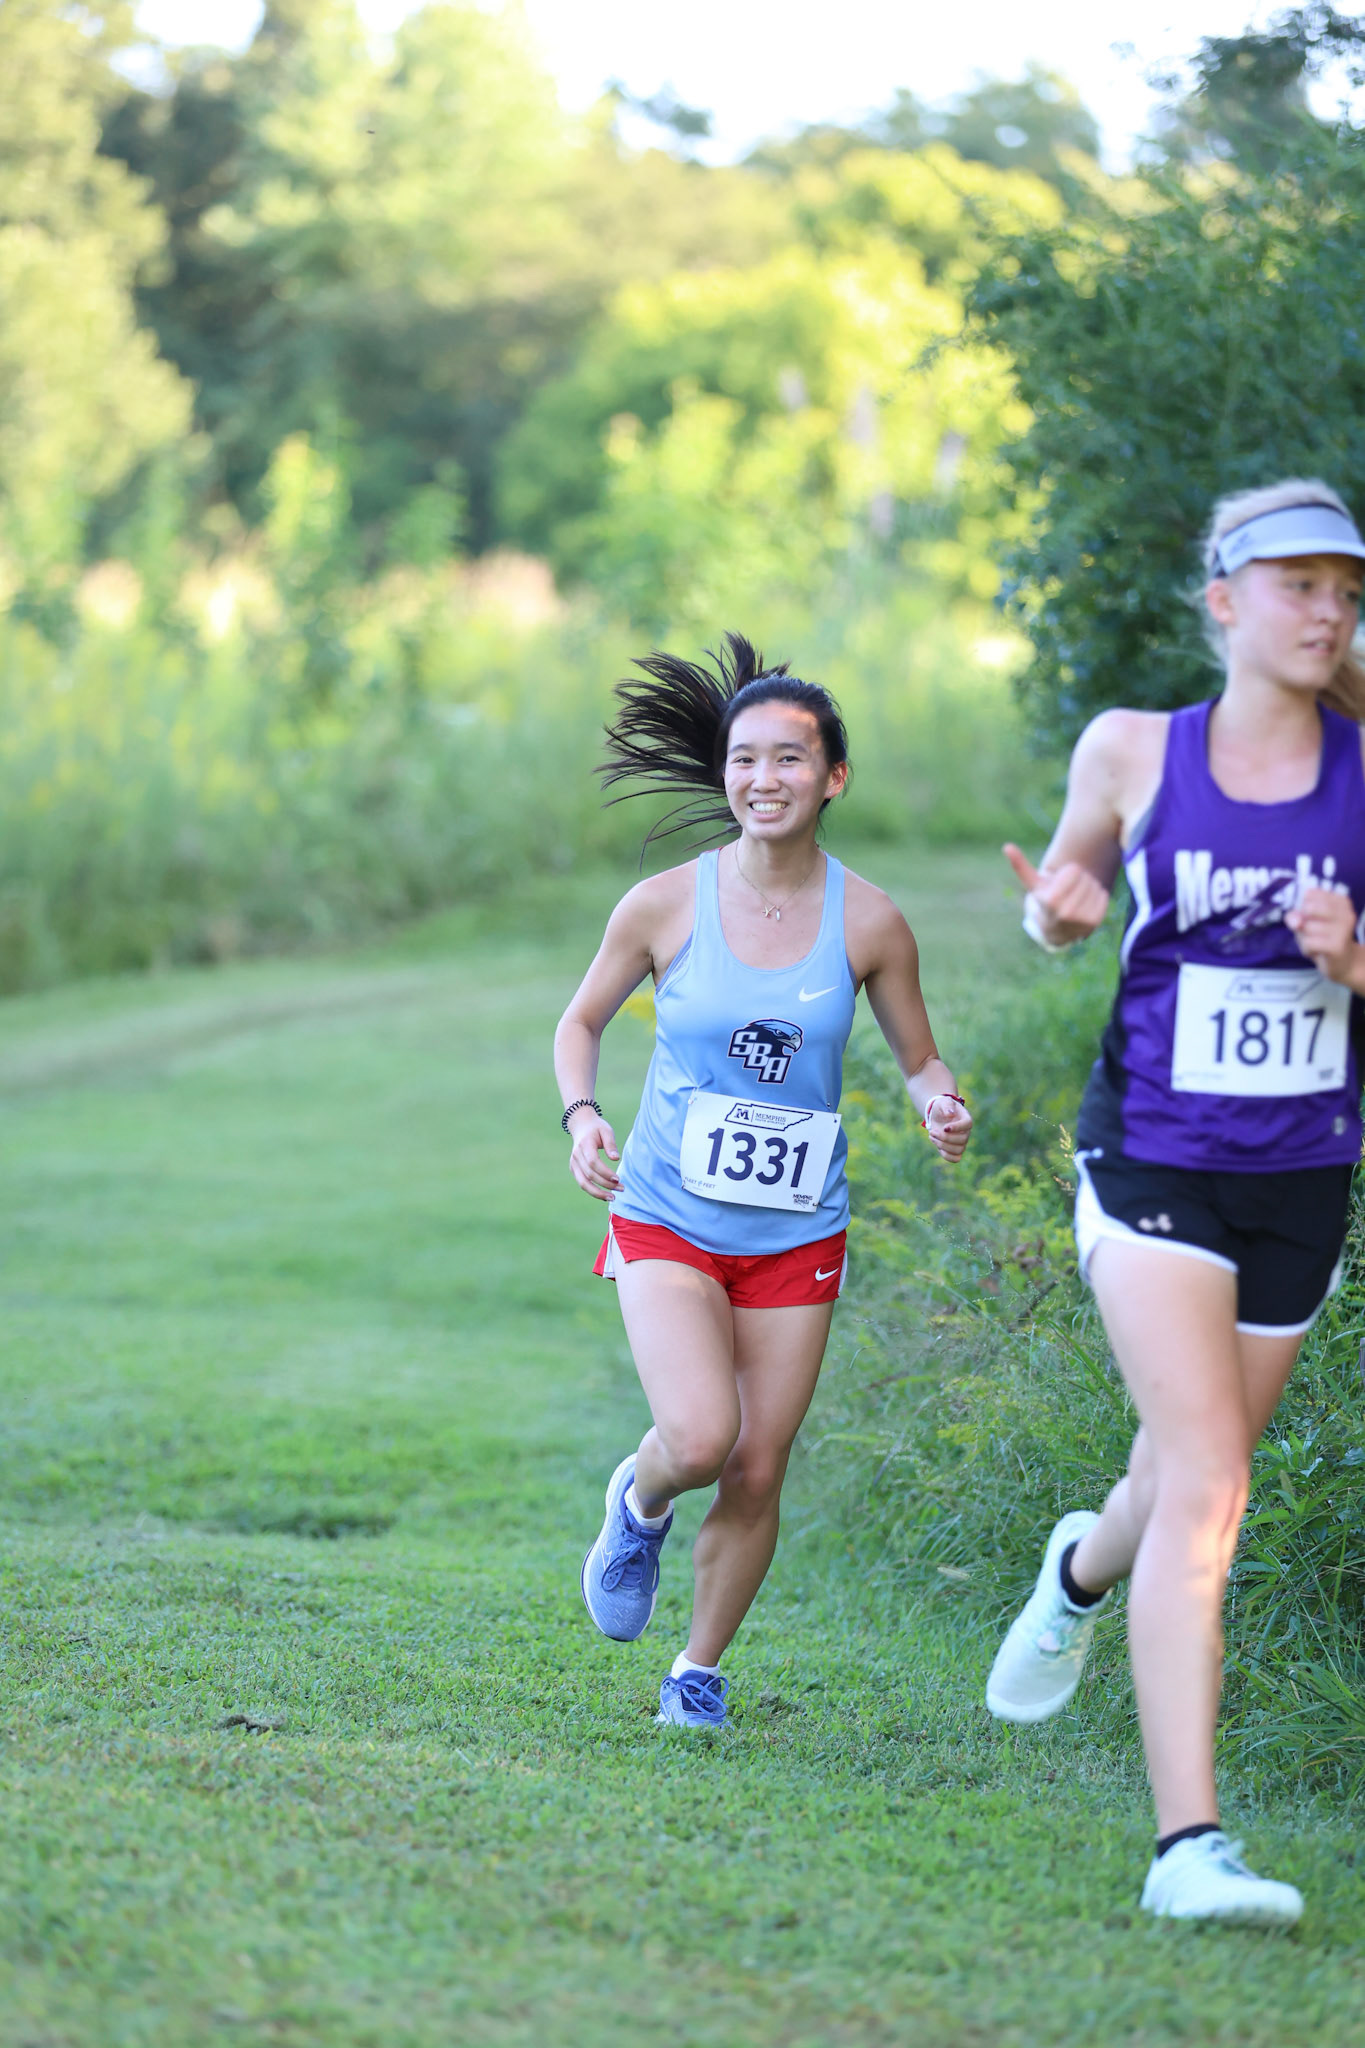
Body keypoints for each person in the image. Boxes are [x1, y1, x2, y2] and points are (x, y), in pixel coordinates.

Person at [985, 479, 1365, 1925]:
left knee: (1176, 1465)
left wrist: (1352, 963)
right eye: (1295, 585)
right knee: (1212, 1482)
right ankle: (1186, 1849)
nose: (1325, 611)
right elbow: (1057, 897)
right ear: (1223, 600)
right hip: (1147, 1156)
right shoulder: (1134, 749)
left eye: (1344, 590)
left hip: (1301, 1180)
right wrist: (1054, 915)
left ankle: (1077, 1573)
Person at [554, 633, 972, 1728]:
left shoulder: (871, 919)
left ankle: (696, 1668)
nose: (762, 779)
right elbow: (580, 1020)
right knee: (699, 1439)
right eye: (745, 759)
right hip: (667, 1214)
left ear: (832, 776)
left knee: (754, 1465)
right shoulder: (662, 903)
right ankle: (639, 1500)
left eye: (789, 759)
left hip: (796, 1234)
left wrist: (938, 1099)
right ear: (723, 771)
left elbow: (919, 1054)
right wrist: (584, 1111)